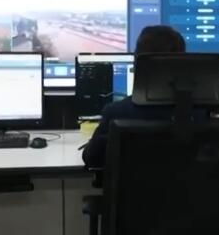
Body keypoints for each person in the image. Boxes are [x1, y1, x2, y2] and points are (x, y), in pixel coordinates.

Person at [81, 25, 190, 168]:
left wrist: (90, 144)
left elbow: (92, 159)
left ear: (138, 62)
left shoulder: (117, 113)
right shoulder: (201, 113)